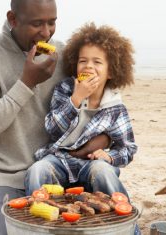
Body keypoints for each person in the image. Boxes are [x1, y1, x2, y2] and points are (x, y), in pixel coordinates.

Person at [0, 1, 109, 234]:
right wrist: (27, 82)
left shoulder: (65, 54)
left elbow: (102, 107)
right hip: (4, 174)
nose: (46, 32)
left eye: (52, 22)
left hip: (57, 170)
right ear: (13, 19)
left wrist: (103, 141)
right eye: (37, 24)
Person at [25, 22, 139, 233]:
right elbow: (52, 127)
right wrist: (76, 100)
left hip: (90, 164)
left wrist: (110, 157)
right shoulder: (66, 89)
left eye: (97, 62)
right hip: (59, 159)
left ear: (111, 71)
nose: (88, 66)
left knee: (103, 171)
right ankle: (35, 229)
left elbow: (128, 148)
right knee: (37, 169)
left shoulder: (115, 108)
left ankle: (127, 228)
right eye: (83, 61)